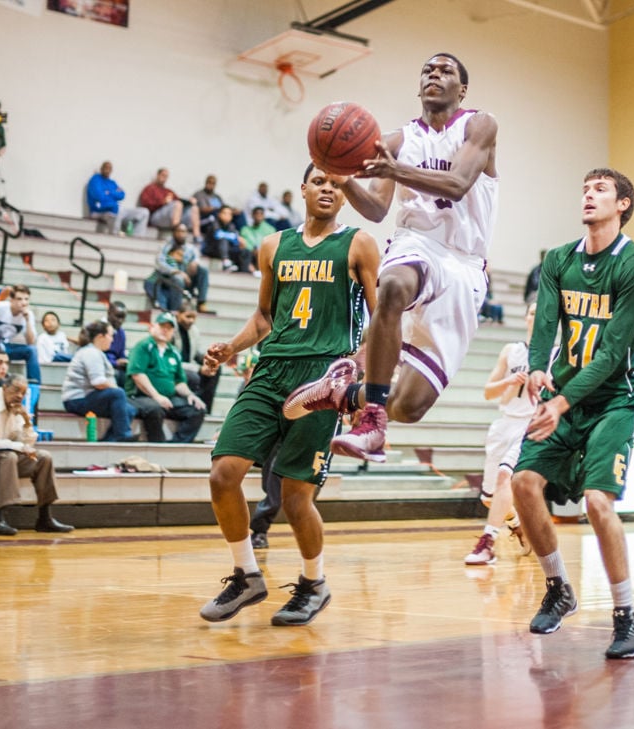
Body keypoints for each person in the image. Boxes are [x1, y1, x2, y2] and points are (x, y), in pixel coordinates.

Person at [283, 53, 499, 465]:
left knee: (409, 406)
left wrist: (394, 170)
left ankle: (346, 393)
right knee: (395, 285)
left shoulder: (479, 124)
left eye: (445, 71)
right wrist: (344, 179)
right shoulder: (397, 142)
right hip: (417, 241)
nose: (434, 74)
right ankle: (371, 421)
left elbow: (457, 184)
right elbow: (378, 209)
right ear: (419, 87)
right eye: (428, 70)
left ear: (462, 89)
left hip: (466, 264)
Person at [198, 164, 379, 627]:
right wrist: (231, 347)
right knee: (223, 474)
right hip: (270, 369)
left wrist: (357, 374)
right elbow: (264, 317)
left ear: (346, 196)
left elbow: (381, 321)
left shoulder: (358, 243)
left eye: (337, 185)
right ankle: (247, 575)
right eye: (320, 181)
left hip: (323, 377)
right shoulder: (273, 245)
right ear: (303, 189)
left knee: (296, 498)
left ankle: (314, 583)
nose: (328, 189)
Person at [507, 168, 634, 659]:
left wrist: (560, 403)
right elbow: (546, 323)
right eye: (585, 189)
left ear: (623, 204)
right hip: (566, 394)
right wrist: (536, 368)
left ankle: (627, 616)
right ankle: (558, 588)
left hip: (615, 398)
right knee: (523, 483)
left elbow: (612, 354)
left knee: (596, 502)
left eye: (600, 190)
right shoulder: (558, 260)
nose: (588, 196)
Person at [464, 302, 536, 566]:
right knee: (489, 499)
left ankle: (487, 543)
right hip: (505, 423)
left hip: (530, 424)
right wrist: (509, 381)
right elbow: (488, 392)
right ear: (525, 318)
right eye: (532, 312)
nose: (536, 317)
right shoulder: (511, 351)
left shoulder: (555, 353)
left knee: (506, 475)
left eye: (541, 313)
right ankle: (517, 525)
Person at [0, 374, 73, 535]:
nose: (19, 396)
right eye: (16, 390)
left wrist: (26, 420)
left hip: (5, 456)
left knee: (43, 457)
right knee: (9, 457)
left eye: (23, 392)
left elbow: (28, 444)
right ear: (4, 388)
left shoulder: (15, 409)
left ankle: (45, 518)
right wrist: (19, 447)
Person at [125, 313, 206, 443]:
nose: (165, 330)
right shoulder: (143, 346)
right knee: (155, 408)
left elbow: (179, 382)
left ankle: (176, 446)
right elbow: (138, 375)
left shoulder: (174, 352)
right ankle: (158, 446)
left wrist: (190, 395)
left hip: (168, 398)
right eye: (162, 326)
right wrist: (157, 396)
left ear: (173, 332)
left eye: (169, 328)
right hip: (141, 396)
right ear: (152, 327)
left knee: (197, 409)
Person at [60, 320, 138, 442]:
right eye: (110, 336)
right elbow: (98, 382)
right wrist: (116, 389)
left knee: (129, 410)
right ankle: (123, 435)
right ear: (100, 337)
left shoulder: (96, 352)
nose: (112, 340)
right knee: (118, 393)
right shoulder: (91, 353)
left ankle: (109, 442)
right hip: (77, 400)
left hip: (89, 397)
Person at [144, 224, 212, 313]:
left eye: (183, 232)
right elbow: (160, 263)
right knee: (178, 279)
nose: (181, 234)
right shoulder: (165, 246)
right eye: (178, 231)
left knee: (203, 271)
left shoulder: (190, 248)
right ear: (174, 233)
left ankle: (201, 302)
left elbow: (196, 258)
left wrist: (195, 263)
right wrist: (177, 272)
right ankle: (176, 309)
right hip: (169, 277)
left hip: (187, 277)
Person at [0, 284, 41, 384]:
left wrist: (27, 320)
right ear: (11, 299)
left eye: (26, 299)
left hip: (7, 347)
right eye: (19, 299)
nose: (23, 303)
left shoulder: (29, 314)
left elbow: (30, 342)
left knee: (32, 350)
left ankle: (34, 385)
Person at [86, 161, 149, 236]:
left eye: (109, 168)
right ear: (101, 169)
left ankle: (138, 238)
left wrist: (109, 192)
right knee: (116, 208)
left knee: (144, 212)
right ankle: (115, 236)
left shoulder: (112, 182)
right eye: (106, 168)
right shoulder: (95, 180)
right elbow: (99, 197)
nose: (107, 170)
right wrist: (114, 195)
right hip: (99, 210)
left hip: (116, 209)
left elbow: (122, 195)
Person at [137, 167, 201, 235]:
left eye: (166, 176)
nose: (164, 178)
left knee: (194, 208)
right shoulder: (149, 188)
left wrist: (189, 202)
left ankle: (197, 236)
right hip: (155, 217)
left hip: (171, 217)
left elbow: (178, 200)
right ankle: (175, 234)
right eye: (163, 175)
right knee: (178, 204)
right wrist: (162, 202)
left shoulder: (168, 191)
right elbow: (146, 204)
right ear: (157, 175)